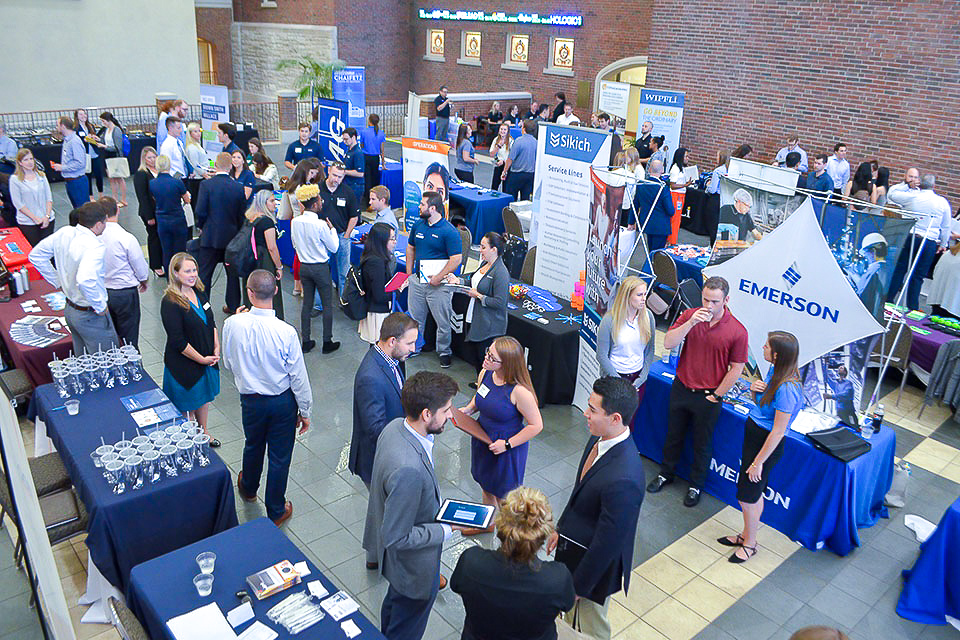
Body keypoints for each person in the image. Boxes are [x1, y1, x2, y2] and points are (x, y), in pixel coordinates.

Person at [362, 371, 460, 640]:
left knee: (394, 611)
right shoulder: (409, 469)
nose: (451, 416)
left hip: (398, 569)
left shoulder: (395, 427)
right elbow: (397, 536)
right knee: (406, 627)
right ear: (427, 414)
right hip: (414, 571)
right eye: (447, 410)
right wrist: (445, 530)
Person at [547, 376, 644, 640]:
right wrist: (562, 527)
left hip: (591, 571)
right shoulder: (598, 438)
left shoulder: (625, 478)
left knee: (589, 627)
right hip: (573, 550)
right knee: (569, 621)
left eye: (593, 410)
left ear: (615, 418)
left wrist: (579, 587)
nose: (586, 414)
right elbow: (579, 491)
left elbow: (609, 543)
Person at [647, 276, 748, 507]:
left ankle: (696, 485)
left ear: (726, 300)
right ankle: (666, 473)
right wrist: (691, 322)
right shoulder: (690, 315)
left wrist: (716, 395)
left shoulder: (737, 331)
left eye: (714, 301)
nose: (709, 306)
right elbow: (670, 343)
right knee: (673, 435)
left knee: (703, 443)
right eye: (705, 300)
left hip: (708, 395)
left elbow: (737, 368)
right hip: (682, 387)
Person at [222, 269, 312, 526]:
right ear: (275, 290)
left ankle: (248, 488)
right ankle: (276, 509)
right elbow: (298, 377)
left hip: (250, 400)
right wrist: (305, 411)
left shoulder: (232, 324)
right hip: (282, 402)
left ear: (249, 292)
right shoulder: (286, 332)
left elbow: (228, 363)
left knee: (253, 443)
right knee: (280, 455)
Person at [719, 331, 802, 563]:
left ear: (776, 355)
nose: (762, 348)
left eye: (766, 346)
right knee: (751, 493)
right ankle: (746, 534)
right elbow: (765, 408)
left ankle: (750, 543)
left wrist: (758, 463)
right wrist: (756, 393)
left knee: (747, 496)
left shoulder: (787, 388)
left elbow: (777, 431)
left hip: (764, 446)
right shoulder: (774, 372)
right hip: (755, 438)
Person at [451, 487, 575, 640]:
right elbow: (567, 604)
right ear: (543, 534)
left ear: (500, 525)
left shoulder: (471, 562)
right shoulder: (557, 579)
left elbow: (456, 585)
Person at [351, 312, 419, 567]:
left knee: (384, 509)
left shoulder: (393, 360)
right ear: (392, 340)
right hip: (377, 460)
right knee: (389, 511)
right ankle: (389, 559)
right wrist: (411, 431)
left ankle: (375, 557)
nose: (413, 349)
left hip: (388, 454)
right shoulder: (371, 376)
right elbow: (375, 427)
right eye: (410, 343)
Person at [455, 336, 543, 521]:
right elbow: (481, 396)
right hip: (483, 439)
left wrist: (508, 445)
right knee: (486, 484)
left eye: (492, 358)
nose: (486, 358)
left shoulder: (520, 392)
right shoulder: (485, 373)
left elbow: (536, 426)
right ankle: (488, 523)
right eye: (488, 353)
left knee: (506, 496)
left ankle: (512, 535)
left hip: (506, 448)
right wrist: (470, 408)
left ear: (507, 364)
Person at [29, 202, 118, 353]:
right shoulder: (94, 246)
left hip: (70, 309)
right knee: (105, 361)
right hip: (89, 314)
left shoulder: (64, 233)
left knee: (83, 358)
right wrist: (100, 306)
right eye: (104, 223)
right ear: (98, 225)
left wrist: (58, 281)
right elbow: (86, 280)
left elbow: (36, 255)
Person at [160, 252, 221, 446]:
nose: (193, 274)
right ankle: (190, 438)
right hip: (184, 365)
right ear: (176, 274)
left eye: (194, 270)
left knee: (204, 398)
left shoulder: (200, 292)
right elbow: (178, 341)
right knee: (187, 405)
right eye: (187, 271)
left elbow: (211, 322)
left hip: (206, 360)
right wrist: (201, 359)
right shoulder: (170, 302)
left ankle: (204, 431)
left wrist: (216, 346)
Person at [406, 191, 462, 367]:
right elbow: (410, 248)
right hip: (418, 281)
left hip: (440, 285)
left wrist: (438, 277)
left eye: (422, 205)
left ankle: (444, 351)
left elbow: (456, 259)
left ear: (433, 208)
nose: (419, 207)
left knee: (443, 321)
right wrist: (409, 274)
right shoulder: (418, 225)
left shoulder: (449, 232)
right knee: (415, 319)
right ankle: (415, 347)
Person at [886, 174, 953, 310]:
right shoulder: (942, 202)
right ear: (934, 186)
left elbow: (892, 194)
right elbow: (946, 226)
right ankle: (912, 306)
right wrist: (943, 244)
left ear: (919, 184)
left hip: (910, 236)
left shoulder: (912, 197)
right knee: (918, 275)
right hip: (929, 240)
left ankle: (888, 300)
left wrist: (906, 184)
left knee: (900, 269)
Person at [445, 232, 509, 369]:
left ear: (494, 250)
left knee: (484, 360)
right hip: (476, 319)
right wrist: (458, 281)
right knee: (476, 358)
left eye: (483, 247)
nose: (480, 250)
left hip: (489, 327)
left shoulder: (501, 272)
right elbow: (474, 282)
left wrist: (479, 296)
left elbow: (500, 302)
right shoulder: (484, 265)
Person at [290, 183, 340, 353]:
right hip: (320, 268)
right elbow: (334, 248)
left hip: (304, 266)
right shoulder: (320, 225)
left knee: (307, 304)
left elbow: (295, 245)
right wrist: (332, 230)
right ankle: (327, 342)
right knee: (327, 304)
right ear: (316, 203)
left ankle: (306, 341)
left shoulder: (295, 222)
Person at [195, 152, 245, 315]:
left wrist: (201, 226)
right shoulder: (238, 187)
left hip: (210, 238)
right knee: (232, 275)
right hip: (231, 239)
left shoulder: (206, 185)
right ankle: (233, 306)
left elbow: (200, 211)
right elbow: (241, 214)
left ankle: (204, 307)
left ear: (215, 166)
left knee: (204, 275)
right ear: (231, 166)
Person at [100, 197, 148, 349]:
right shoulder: (126, 237)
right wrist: (143, 280)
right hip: (124, 293)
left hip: (101, 291)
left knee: (108, 335)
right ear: (118, 210)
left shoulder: (93, 236)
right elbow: (139, 265)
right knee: (129, 337)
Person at [596, 277, 656, 400]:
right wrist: (619, 381)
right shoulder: (609, 320)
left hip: (637, 377)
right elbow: (601, 355)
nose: (644, 299)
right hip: (613, 377)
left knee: (631, 417)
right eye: (639, 295)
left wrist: (642, 376)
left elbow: (650, 350)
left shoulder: (648, 317)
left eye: (645, 294)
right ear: (627, 296)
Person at [319, 162, 360, 292]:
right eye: (334, 175)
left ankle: (344, 301)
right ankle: (319, 304)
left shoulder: (348, 192)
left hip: (342, 235)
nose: (336, 179)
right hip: (323, 236)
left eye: (340, 177)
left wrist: (347, 235)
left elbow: (354, 216)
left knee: (344, 273)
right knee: (321, 273)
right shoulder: (317, 190)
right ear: (328, 171)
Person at [243, 190, 285, 318]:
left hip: (249, 259)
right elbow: (272, 247)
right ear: (263, 203)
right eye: (272, 201)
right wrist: (279, 267)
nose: (275, 204)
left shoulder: (249, 217)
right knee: (268, 290)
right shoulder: (267, 222)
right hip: (264, 260)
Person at [149, 154, 190, 270]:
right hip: (177, 219)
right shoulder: (177, 183)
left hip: (162, 220)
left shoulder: (152, 183)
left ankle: (169, 278)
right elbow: (187, 200)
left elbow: (155, 198)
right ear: (169, 165)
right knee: (180, 251)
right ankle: (180, 276)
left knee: (166, 251)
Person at [359, 222, 396, 343]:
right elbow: (379, 296)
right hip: (378, 313)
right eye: (392, 239)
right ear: (382, 241)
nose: (395, 242)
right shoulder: (376, 263)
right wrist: (398, 290)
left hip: (376, 310)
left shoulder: (373, 257)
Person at [9, 149, 54, 247]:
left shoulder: (41, 176)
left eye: (31, 159)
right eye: (26, 160)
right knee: (33, 248)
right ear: (20, 163)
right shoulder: (15, 180)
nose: (30, 162)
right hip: (28, 222)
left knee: (49, 249)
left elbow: (49, 198)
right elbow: (18, 204)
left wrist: (47, 216)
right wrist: (35, 218)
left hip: (47, 219)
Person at [134, 146, 164, 276]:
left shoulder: (159, 171)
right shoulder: (141, 174)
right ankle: (155, 265)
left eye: (154, 157)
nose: (152, 160)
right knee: (154, 237)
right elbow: (142, 197)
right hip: (150, 211)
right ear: (144, 159)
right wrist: (149, 216)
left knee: (161, 236)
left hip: (161, 209)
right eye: (149, 158)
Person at [632, 158, 674, 250]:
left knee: (650, 249)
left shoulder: (641, 185)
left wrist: (631, 222)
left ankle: (650, 263)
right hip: (661, 226)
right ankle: (651, 264)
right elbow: (670, 210)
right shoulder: (663, 188)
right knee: (657, 254)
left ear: (649, 169)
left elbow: (635, 204)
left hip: (646, 223)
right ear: (662, 171)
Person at [50, 116, 89, 209]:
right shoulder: (67, 141)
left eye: (57, 125)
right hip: (71, 181)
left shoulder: (74, 141)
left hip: (77, 181)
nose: (56, 128)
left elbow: (80, 163)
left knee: (83, 210)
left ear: (63, 126)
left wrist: (62, 167)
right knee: (77, 209)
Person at [92, 112, 128, 206]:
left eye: (103, 121)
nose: (103, 123)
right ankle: (115, 198)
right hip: (107, 156)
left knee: (119, 178)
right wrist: (98, 140)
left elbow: (117, 147)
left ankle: (123, 199)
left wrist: (104, 146)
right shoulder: (106, 130)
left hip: (115, 155)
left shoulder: (116, 130)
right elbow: (104, 141)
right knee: (111, 178)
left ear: (108, 120)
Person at [501, 119, 537, 201]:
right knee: (525, 199)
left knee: (511, 198)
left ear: (524, 129)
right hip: (530, 175)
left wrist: (505, 171)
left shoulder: (518, 141)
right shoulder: (536, 142)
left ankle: (511, 213)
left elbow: (510, 158)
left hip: (516, 174)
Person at [73, 109, 101, 200]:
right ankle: (91, 196)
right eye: (80, 114)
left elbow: (93, 139)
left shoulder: (90, 126)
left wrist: (95, 138)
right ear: (77, 116)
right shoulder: (75, 128)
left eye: (84, 114)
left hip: (94, 154)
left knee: (98, 175)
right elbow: (78, 141)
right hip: (85, 155)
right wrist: (85, 139)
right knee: (88, 175)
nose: (83, 116)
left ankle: (101, 195)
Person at [361, 114, 387, 204]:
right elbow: (382, 150)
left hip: (366, 157)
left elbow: (362, 145)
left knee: (367, 178)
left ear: (369, 121)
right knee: (374, 178)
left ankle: (367, 199)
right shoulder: (381, 133)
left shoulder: (364, 132)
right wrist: (383, 163)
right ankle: (375, 198)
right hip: (375, 158)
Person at [341, 127, 365, 204]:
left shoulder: (358, 153)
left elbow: (360, 173)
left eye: (346, 139)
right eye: (343, 139)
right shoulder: (349, 150)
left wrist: (344, 172)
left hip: (355, 186)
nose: (344, 142)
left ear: (353, 137)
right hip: (349, 184)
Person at [490, 122, 512, 192]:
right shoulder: (496, 140)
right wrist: (498, 146)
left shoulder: (511, 141)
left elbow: (512, 155)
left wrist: (504, 161)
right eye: (501, 129)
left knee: (506, 187)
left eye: (504, 130)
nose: (502, 131)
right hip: (498, 165)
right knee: (494, 186)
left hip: (507, 166)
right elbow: (492, 154)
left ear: (507, 131)